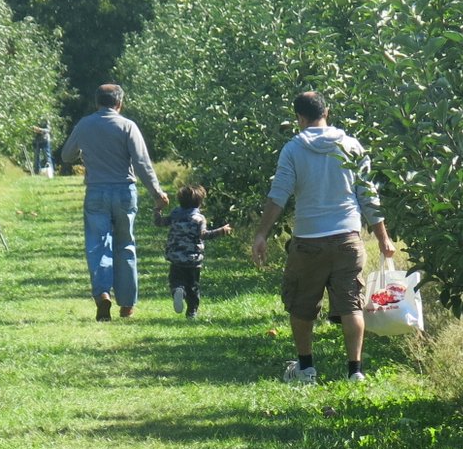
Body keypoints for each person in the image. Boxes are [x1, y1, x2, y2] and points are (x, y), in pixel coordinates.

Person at [251, 90, 395, 383]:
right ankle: (355, 371)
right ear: (326, 112)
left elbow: (278, 194)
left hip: (309, 241)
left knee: (302, 305)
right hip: (348, 239)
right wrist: (383, 238)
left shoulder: (293, 150)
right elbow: (368, 196)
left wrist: (261, 234)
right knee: (351, 304)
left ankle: (306, 368)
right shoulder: (352, 146)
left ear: (300, 118)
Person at [61, 83, 170, 321]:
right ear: (119, 103)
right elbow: (142, 163)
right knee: (125, 245)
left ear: (97, 102)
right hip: (124, 191)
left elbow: (66, 155)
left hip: (96, 192)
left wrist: (87, 153)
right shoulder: (127, 126)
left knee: (97, 244)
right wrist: (157, 192)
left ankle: (102, 294)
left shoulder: (84, 125)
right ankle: (127, 304)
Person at [154, 184, 232, 319]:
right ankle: (192, 312)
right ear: (200, 202)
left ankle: (178, 291)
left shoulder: (175, 215)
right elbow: (204, 235)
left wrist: (158, 209)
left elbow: (159, 222)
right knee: (193, 287)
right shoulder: (199, 219)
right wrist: (221, 231)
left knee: (176, 281)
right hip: (193, 260)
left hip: (176, 258)